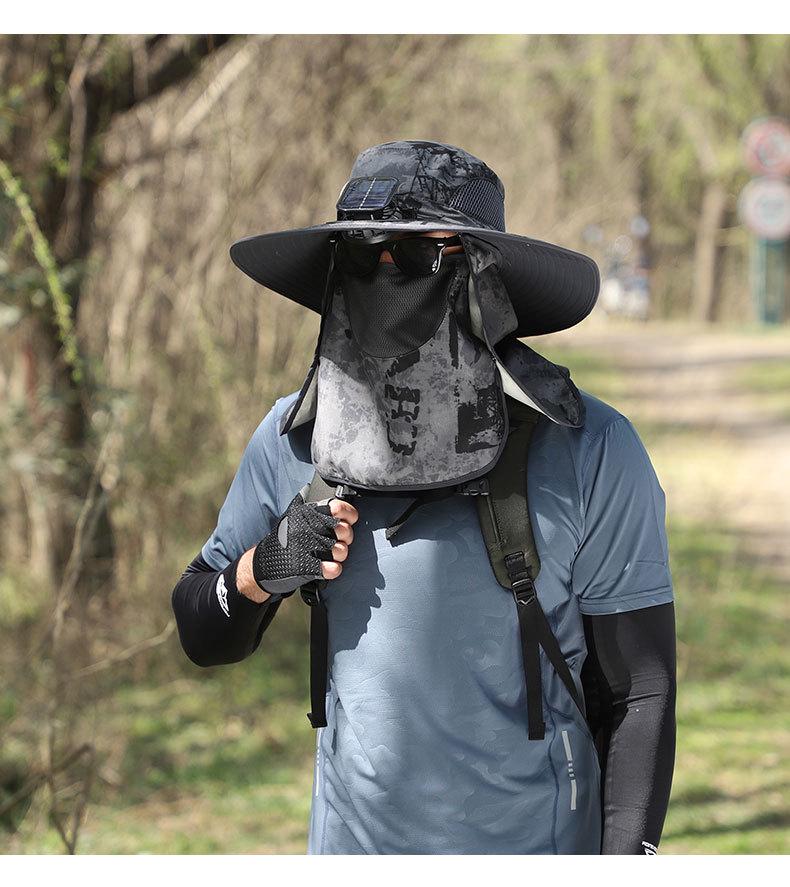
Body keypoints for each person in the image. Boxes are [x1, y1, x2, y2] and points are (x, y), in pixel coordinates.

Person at [171, 140, 676, 855]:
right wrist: (261, 569)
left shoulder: (589, 449)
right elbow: (200, 626)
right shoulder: (296, 442)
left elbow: (641, 694)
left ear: (485, 272)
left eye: (414, 254)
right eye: (362, 251)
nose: (385, 271)